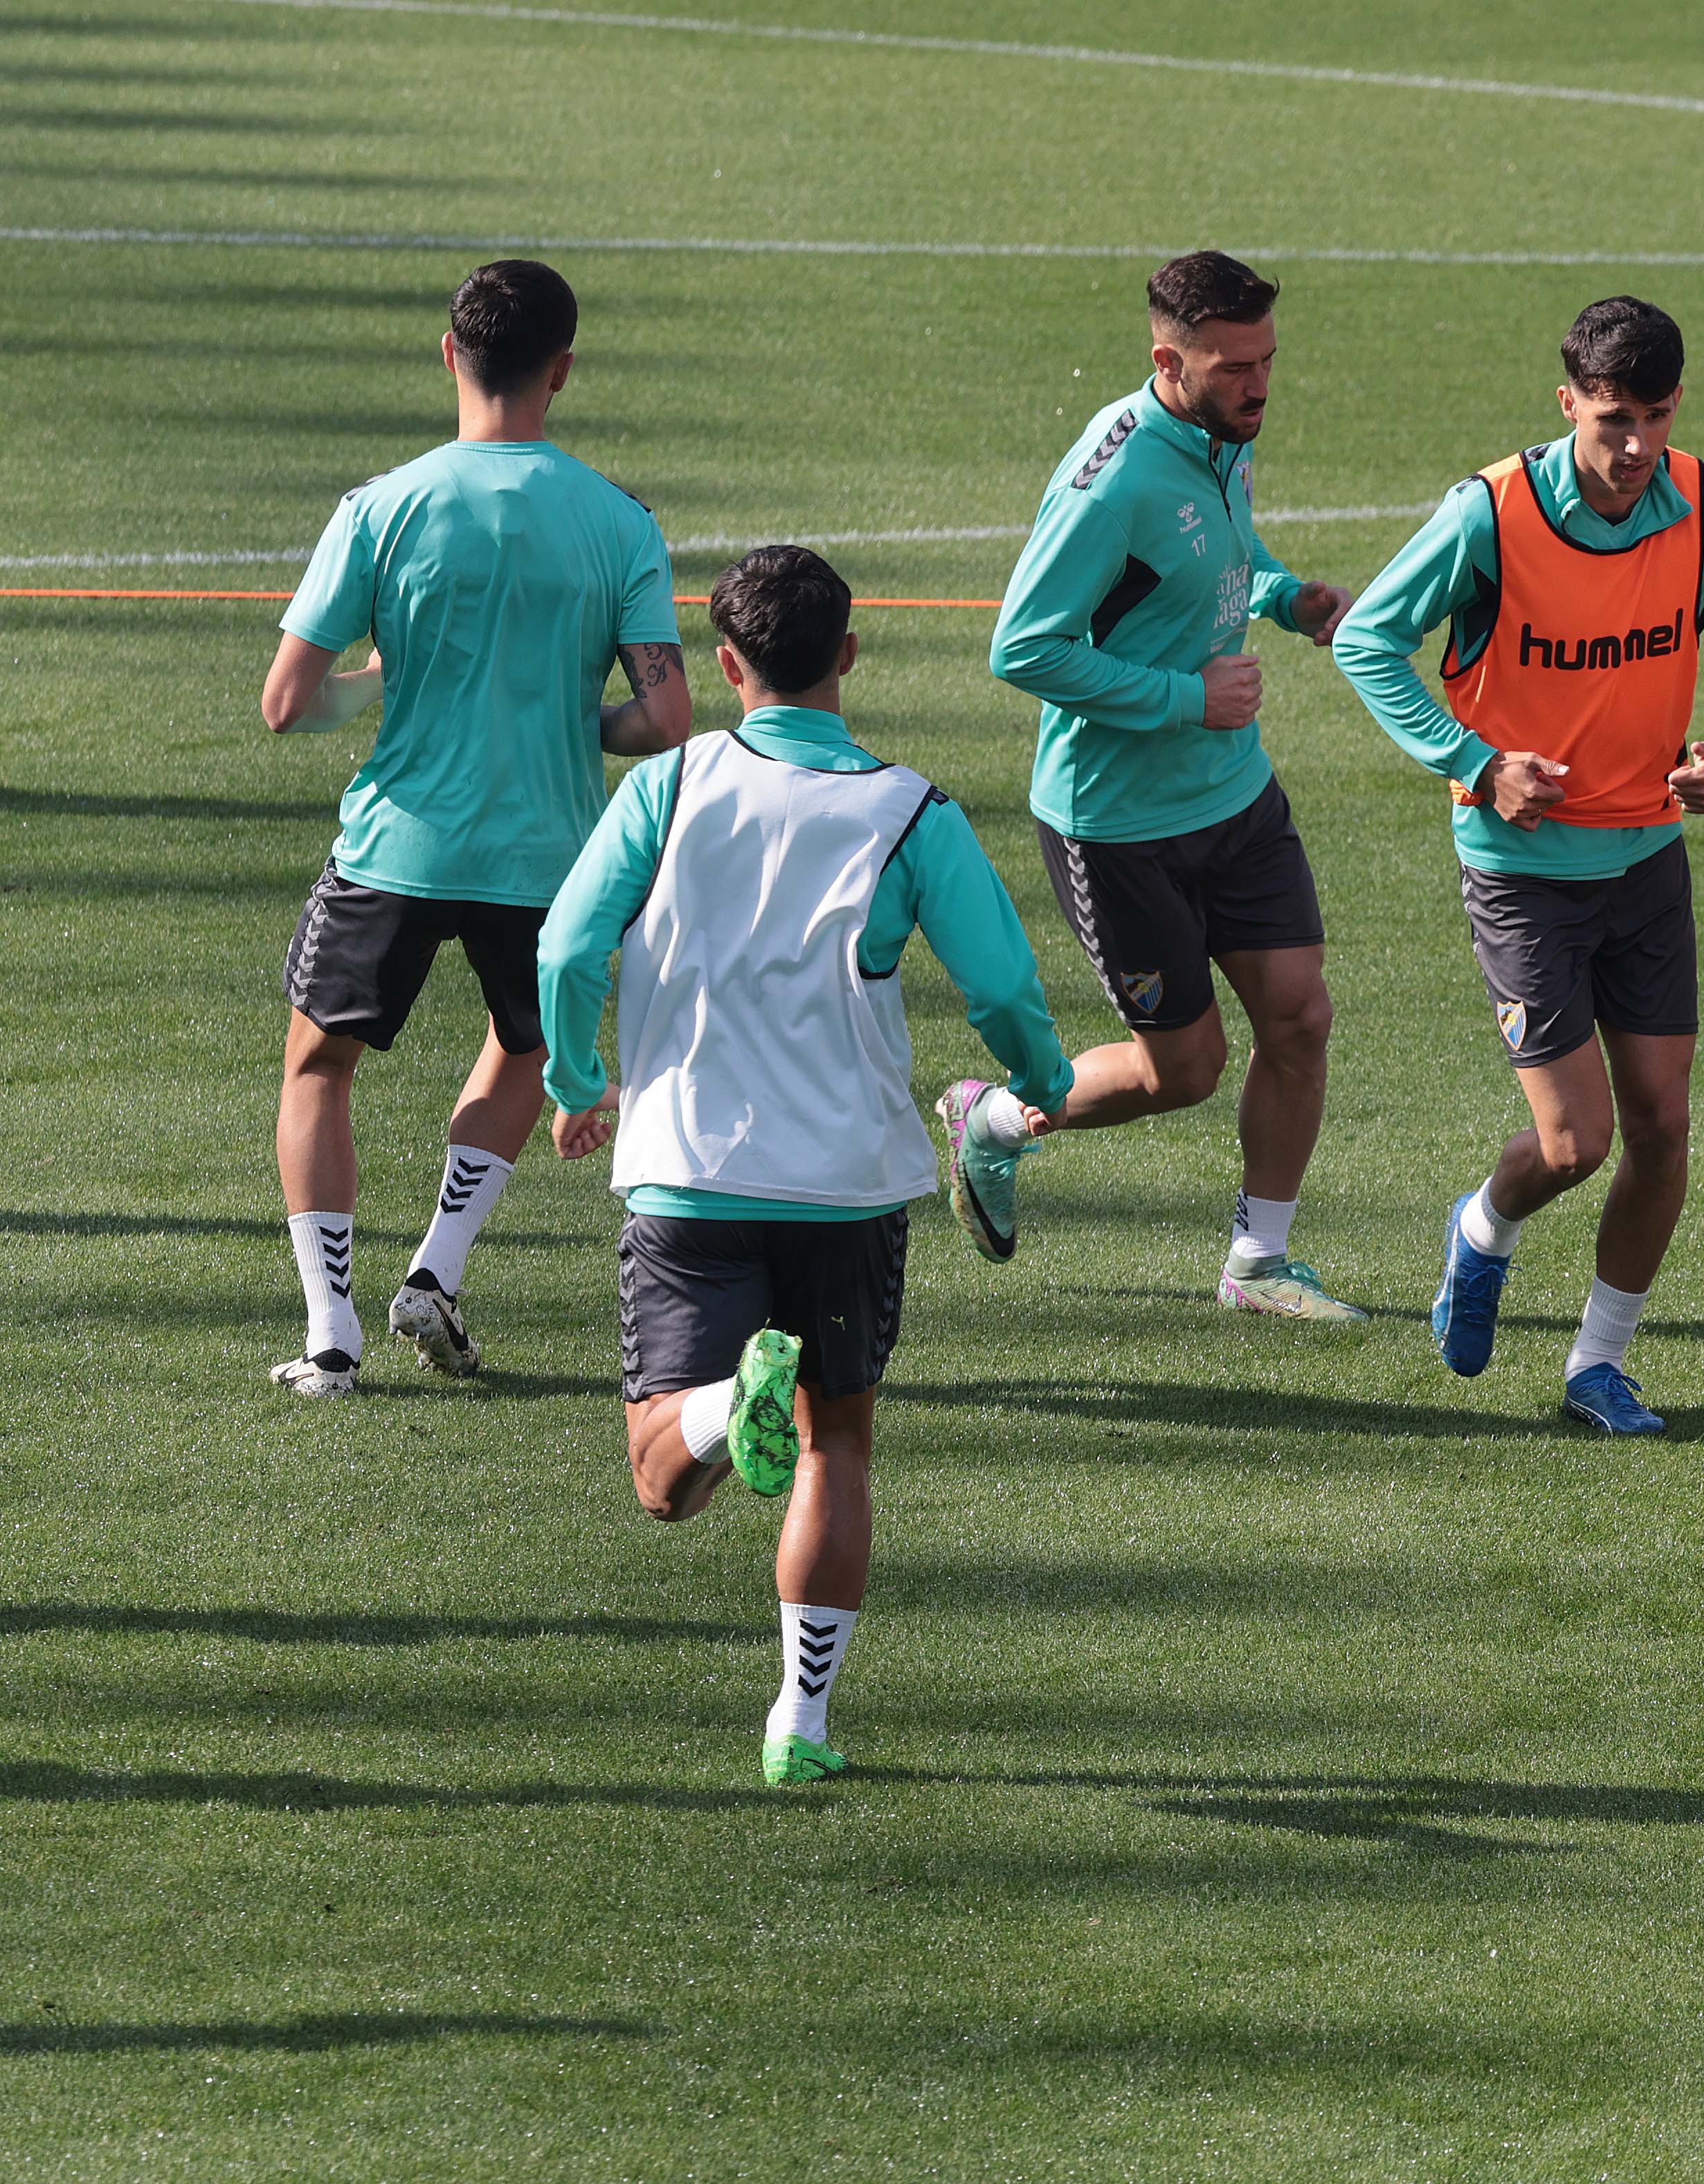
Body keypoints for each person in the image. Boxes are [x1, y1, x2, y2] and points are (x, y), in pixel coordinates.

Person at [536, 546, 1073, 1785]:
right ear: (850, 652)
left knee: (664, 1485)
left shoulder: (666, 789)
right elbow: (998, 980)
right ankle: (802, 1727)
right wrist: (1038, 1082)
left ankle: (728, 1406)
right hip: (850, 1183)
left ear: (726, 667)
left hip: (688, 1174)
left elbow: (567, 950)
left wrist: (577, 1087)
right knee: (838, 1446)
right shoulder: (912, 812)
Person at [1334, 296, 1704, 1433]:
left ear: (1675, 405)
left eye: (1651, 418)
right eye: (1609, 421)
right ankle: (1483, 1229)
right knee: (1574, 1142)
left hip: (1646, 864)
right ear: (1567, 405)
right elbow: (1366, 641)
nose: (1633, 448)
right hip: (1522, 868)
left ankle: (1598, 1365)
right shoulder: (1487, 516)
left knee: (1662, 1130)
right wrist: (1475, 761)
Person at [260, 258, 687, 1394]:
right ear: (563, 371)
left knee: (320, 1067)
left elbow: (289, 703)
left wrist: (383, 680)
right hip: (550, 854)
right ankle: (436, 1273)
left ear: (450, 354)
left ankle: (330, 1334)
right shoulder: (621, 521)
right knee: (529, 1043)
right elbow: (665, 716)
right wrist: (570, 716)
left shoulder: (381, 507)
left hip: (396, 845)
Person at [959, 251, 1361, 1320]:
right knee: (1184, 1070)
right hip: (1118, 824)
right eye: (1235, 367)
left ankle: (1258, 1264)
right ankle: (993, 1122)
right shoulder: (1117, 479)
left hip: (1233, 795)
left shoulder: (1220, 439)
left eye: (1269, 360)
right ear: (1167, 360)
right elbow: (1024, 649)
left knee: (1300, 1018)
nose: (1261, 385)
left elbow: (1213, 559)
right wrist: (1188, 698)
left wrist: (1285, 596)